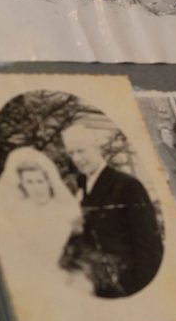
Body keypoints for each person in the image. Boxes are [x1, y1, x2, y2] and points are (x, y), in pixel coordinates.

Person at [57, 124, 163, 298]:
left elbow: (149, 245)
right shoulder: (80, 186)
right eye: (72, 153)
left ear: (96, 147)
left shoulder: (127, 185)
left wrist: (145, 289)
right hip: (98, 283)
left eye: (81, 151)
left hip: (128, 283)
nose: (77, 158)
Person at [0, 147, 92, 305]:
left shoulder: (62, 209)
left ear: (49, 181)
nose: (36, 187)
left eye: (39, 181)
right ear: (22, 184)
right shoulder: (18, 210)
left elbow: (78, 245)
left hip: (62, 272)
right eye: (29, 182)